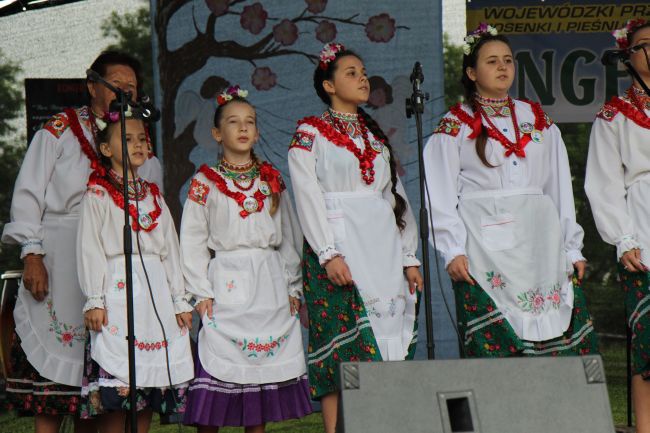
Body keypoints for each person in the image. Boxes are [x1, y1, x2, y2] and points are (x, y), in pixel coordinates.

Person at [1, 50, 161, 433]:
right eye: (116, 86)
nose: (125, 93)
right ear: (92, 86)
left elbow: (151, 198)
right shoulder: (58, 129)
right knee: (53, 383)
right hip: (58, 257)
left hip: (110, 266)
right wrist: (32, 254)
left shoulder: (138, 138)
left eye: (132, 88)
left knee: (97, 376)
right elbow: (28, 195)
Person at [424, 23, 598, 359]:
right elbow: (439, 193)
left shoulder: (536, 118)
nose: (503, 67)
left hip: (540, 239)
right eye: (491, 61)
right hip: (486, 241)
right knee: (501, 330)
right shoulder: (456, 124)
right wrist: (452, 248)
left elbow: (558, 186)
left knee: (548, 324)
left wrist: (571, 247)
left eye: (507, 60)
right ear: (471, 72)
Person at [288, 43, 423, 433]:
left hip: (381, 249)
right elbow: (307, 194)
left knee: (384, 336)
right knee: (340, 341)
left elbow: (394, 198)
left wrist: (408, 256)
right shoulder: (310, 133)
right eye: (350, 72)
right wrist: (328, 253)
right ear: (328, 85)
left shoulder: (374, 137)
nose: (362, 78)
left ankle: (380, 423)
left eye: (363, 71)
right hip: (339, 245)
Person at [180, 86, 312, 433]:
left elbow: (288, 235)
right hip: (227, 279)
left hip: (268, 282)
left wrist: (292, 287)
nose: (242, 128)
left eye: (249, 122)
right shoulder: (204, 182)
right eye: (233, 122)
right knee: (218, 364)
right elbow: (192, 239)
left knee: (260, 375)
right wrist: (200, 290)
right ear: (216, 133)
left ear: (256, 131)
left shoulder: (271, 179)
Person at [76, 112, 193, 431]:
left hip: (153, 297)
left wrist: (179, 300)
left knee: (149, 382)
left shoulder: (153, 194)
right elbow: (91, 248)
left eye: (142, 138)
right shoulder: (97, 193)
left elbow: (170, 249)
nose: (138, 144)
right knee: (119, 386)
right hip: (117, 293)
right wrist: (95, 298)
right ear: (106, 149)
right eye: (126, 139)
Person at [585, 18, 650, 433]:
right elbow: (604, 183)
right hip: (644, 227)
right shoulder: (615, 115)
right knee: (648, 348)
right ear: (627, 55)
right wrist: (623, 239)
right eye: (644, 44)